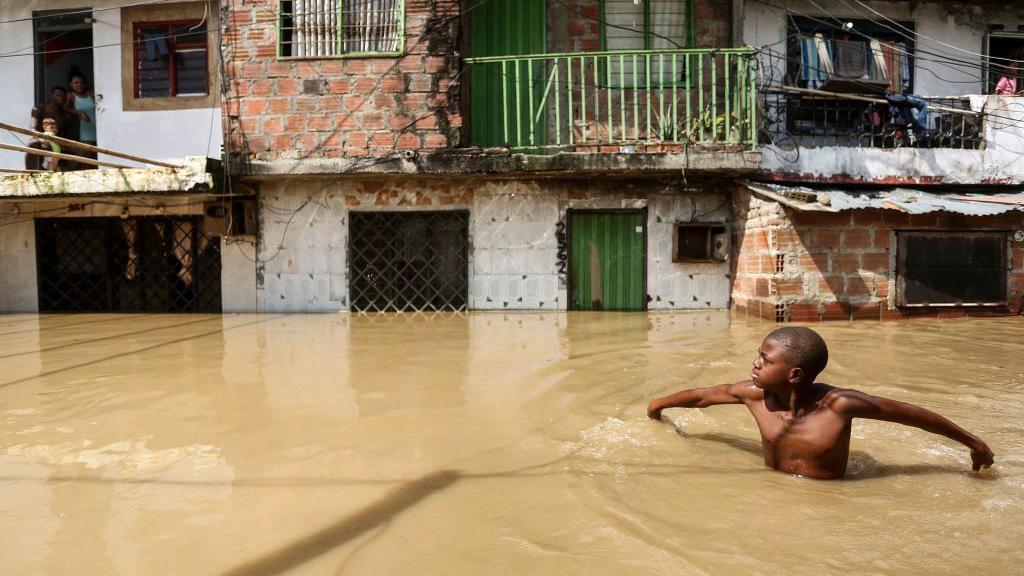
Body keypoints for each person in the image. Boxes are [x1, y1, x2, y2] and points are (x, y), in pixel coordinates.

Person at [646, 327, 994, 480]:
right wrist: (657, 406)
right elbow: (702, 396)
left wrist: (975, 444)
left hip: (830, 497)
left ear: (795, 374)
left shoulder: (839, 405)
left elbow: (912, 416)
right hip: (775, 496)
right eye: (758, 356)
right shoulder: (753, 396)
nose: (755, 364)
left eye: (765, 360)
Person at [65, 71, 97, 152]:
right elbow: (64, 108)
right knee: (85, 153)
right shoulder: (71, 96)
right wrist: (79, 113)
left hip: (98, 126)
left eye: (81, 83)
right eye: (76, 83)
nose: (79, 85)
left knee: (95, 155)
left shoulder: (90, 94)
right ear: (71, 84)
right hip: (86, 129)